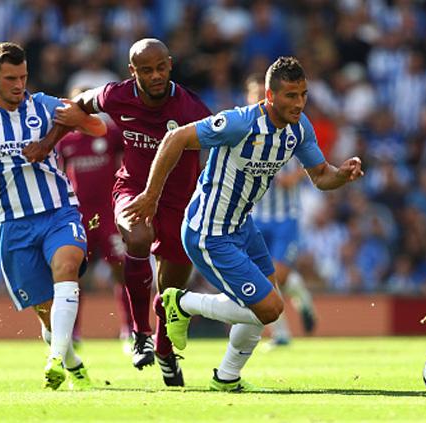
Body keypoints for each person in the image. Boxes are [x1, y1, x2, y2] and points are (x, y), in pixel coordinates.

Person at [123, 56, 364, 392]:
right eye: (291, 96)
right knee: (269, 308)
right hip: (209, 230)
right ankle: (179, 303)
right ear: (269, 95)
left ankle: (226, 377)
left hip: (242, 227)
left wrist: (343, 175)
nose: (299, 104)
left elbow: (322, 176)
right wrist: (150, 195)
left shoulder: (299, 128)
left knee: (264, 304)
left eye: (303, 95)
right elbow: (174, 139)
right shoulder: (240, 123)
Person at [22, 38, 211, 386]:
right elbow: (76, 105)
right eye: (146, 70)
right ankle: (139, 334)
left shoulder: (193, 110)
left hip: (178, 204)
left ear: (170, 65)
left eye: (160, 68)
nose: (155, 76)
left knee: (168, 295)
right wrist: (48, 143)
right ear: (132, 71)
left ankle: (165, 349)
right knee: (136, 237)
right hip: (132, 191)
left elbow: (216, 154)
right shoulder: (115, 95)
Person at [0, 42, 107, 390]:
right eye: (10, 78)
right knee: (47, 316)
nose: (18, 85)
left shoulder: (42, 105)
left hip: (59, 210)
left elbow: (99, 130)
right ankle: (70, 358)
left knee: (67, 266)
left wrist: (82, 120)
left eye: (23, 76)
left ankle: (55, 359)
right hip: (14, 225)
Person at [55, 87, 131, 350]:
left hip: (108, 214)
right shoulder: (65, 140)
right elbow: (59, 176)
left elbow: (128, 161)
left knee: (122, 269)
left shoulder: (110, 134)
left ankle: (130, 330)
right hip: (80, 216)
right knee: (73, 273)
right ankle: (72, 332)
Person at [244, 74, 316, 345]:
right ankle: (283, 331)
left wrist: (293, 177)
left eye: (258, 96)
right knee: (267, 277)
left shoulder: (289, 125)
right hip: (258, 218)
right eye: (251, 96)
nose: (255, 101)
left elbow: (311, 160)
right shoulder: (244, 130)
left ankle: (298, 296)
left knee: (277, 275)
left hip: (287, 217)